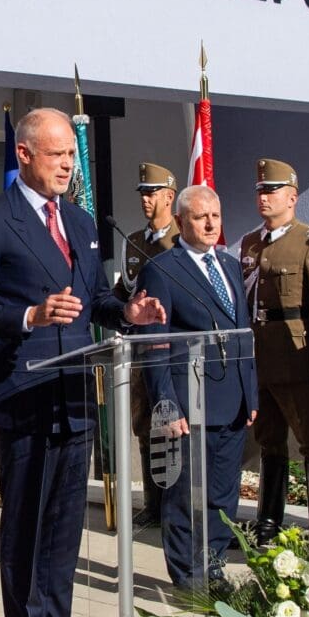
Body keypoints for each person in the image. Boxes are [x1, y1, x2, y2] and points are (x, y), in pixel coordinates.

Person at [0, 107, 164, 617]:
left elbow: (94, 298)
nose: (70, 164)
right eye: (58, 154)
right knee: (27, 524)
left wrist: (126, 312)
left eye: (73, 154)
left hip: (75, 393)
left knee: (66, 525)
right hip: (25, 392)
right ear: (24, 155)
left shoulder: (78, 221)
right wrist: (28, 315)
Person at [137, 185, 257, 588]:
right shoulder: (163, 269)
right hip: (191, 401)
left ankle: (215, 562)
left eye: (216, 217)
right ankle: (188, 573)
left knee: (223, 492)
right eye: (200, 217)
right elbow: (155, 346)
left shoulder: (230, 265)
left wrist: (251, 392)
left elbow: (242, 334)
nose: (210, 224)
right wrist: (166, 405)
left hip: (232, 399)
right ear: (181, 221)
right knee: (187, 493)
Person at [237, 158, 309, 542]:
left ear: (292, 197)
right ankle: (268, 520)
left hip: (297, 357)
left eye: (272, 190)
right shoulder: (250, 242)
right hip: (261, 355)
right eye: (260, 190)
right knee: (269, 439)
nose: (263, 196)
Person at [114, 161, 179, 530]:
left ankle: (174, 506)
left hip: (174, 347)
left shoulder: (182, 238)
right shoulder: (135, 241)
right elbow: (127, 288)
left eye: (152, 193)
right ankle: (153, 505)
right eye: (142, 193)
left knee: (171, 423)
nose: (145, 199)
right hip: (141, 346)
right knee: (143, 424)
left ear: (170, 196)